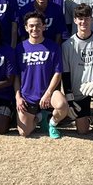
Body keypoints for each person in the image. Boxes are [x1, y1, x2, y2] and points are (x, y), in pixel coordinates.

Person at [61, 3, 93, 140]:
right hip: (79, 91)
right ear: (75, 20)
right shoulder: (67, 45)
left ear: (92, 19)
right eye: (80, 18)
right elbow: (65, 73)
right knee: (82, 131)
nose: (83, 21)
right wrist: (69, 98)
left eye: (86, 18)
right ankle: (90, 119)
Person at [15, 11, 68, 139]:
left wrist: (48, 93)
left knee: (62, 106)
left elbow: (57, 72)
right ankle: (39, 117)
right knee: (24, 133)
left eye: (38, 25)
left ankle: (52, 123)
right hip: (28, 96)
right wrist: (18, 97)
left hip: (48, 94)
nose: (35, 29)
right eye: (31, 26)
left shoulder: (53, 47)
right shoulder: (20, 48)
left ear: (44, 26)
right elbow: (16, 76)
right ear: (26, 28)